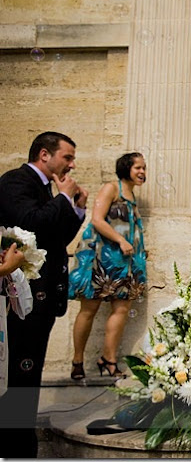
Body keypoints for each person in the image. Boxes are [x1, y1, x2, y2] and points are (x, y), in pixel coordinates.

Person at [0, 131, 87, 457]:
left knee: (29, 373)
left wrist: (76, 210)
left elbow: (53, 240)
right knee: (17, 378)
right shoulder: (15, 182)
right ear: (44, 154)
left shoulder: (45, 189)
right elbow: (29, 223)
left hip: (41, 298)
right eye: (67, 156)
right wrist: (63, 198)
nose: (72, 164)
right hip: (18, 302)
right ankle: (15, 446)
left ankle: (20, 443)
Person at [69, 152, 148, 380]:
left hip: (126, 262)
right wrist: (121, 240)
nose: (142, 172)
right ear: (126, 168)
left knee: (121, 308)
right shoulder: (111, 188)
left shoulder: (131, 196)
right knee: (89, 309)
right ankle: (77, 360)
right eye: (138, 168)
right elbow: (97, 219)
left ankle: (108, 359)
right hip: (102, 259)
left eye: (144, 168)